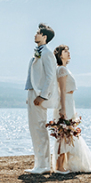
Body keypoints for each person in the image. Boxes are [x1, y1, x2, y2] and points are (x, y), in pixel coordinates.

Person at [52, 44, 91, 174]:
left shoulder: (65, 69)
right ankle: (59, 166)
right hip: (65, 102)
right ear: (59, 55)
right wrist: (63, 109)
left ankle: (62, 165)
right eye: (65, 51)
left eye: (68, 51)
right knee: (64, 133)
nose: (68, 53)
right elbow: (61, 90)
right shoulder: (61, 69)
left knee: (68, 133)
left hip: (69, 102)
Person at [24, 23, 59, 174]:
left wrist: (42, 96)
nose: (35, 35)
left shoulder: (47, 53)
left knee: (39, 129)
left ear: (44, 37)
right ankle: (38, 164)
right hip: (32, 94)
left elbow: (51, 76)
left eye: (38, 33)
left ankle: (44, 165)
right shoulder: (37, 52)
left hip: (39, 96)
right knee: (34, 129)